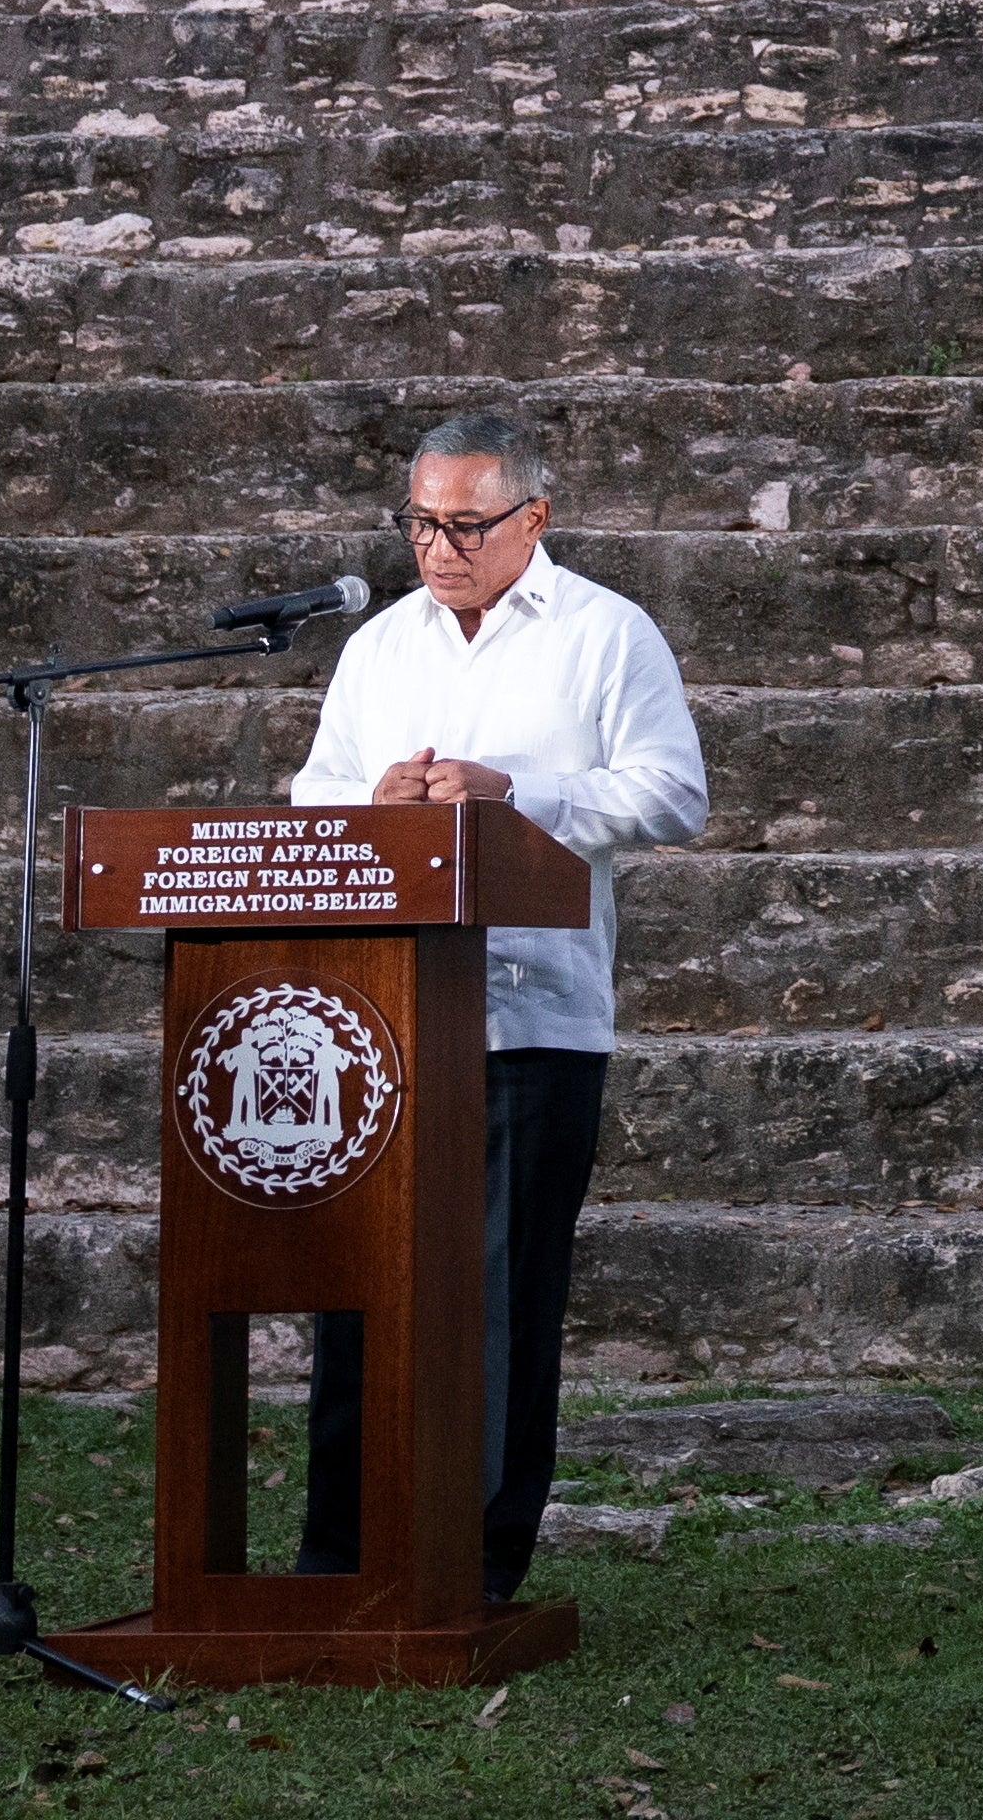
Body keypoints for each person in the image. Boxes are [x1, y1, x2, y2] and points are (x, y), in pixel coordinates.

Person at [286, 406, 711, 1610]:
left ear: (535, 516)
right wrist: (374, 802)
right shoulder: (379, 646)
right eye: (420, 521)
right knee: (357, 1285)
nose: (437, 547)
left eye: (465, 524)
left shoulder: (605, 634)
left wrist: (511, 790)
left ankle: (472, 1561)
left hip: (533, 1020)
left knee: (500, 1300)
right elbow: (314, 796)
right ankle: (340, 1550)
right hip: (379, 1019)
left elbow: (674, 793)